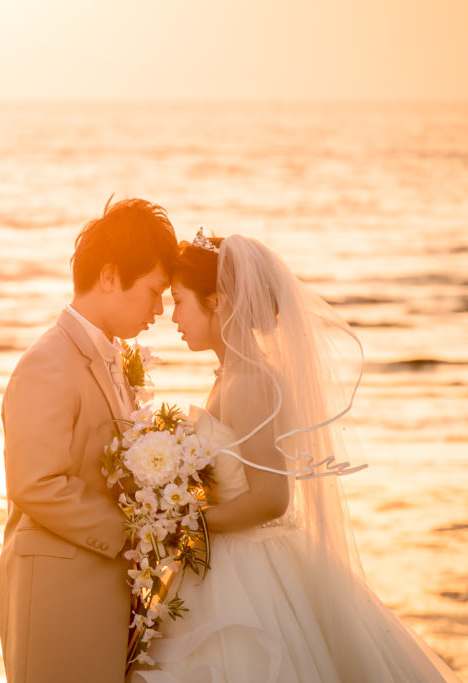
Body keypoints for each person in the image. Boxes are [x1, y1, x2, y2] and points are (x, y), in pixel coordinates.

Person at [130, 229, 460, 682]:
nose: (173, 316)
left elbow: (271, 498)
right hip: (231, 553)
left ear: (220, 300)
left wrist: (187, 523)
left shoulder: (249, 380)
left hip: (248, 566)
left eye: (181, 300)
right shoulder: (231, 373)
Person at [0, 198, 177, 682]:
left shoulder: (111, 359)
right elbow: (36, 483)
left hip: (103, 595)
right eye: (154, 291)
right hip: (57, 597)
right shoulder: (48, 364)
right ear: (110, 276)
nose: (160, 309)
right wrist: (135, 535)